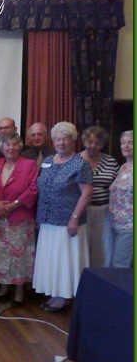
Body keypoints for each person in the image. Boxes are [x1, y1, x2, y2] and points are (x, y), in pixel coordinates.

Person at [32, 122, 92, 313]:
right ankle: (55, 293)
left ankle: (64, 296)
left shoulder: (80, 164)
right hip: (47, 220)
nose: (61, 143)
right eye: (58, 139)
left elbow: (86, 194)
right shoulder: (49, 160)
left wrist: (74, 218)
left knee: (65, 260)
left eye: (65, 139)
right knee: (52, 259)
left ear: (73, 141)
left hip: (68, 223)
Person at [0, 132, 38, 307]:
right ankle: (3, 287)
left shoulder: (29, 165)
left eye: (14, 144)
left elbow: (33, 190)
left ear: (20, 147)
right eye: (7, 144)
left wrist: (13, 205)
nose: (11, 148)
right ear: (1, 147)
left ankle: (19, 290)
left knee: (19, 255)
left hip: (19, 218)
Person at [79, 125, 119, 267]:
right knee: (82, 248)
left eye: (98, 143)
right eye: (90, 142)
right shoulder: (76, 161)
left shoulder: (110, 161)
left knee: (102, 249)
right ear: (84, 141)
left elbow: (117, 186)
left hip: (103, 212)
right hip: (81, 211)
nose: (93, 146)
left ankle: (99, 277)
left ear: (103, 144)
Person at [108, 130, 133, 268]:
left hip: (129, 226)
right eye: (123, 143)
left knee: (119, 265)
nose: (126, 146)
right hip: (114, 223)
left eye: (131, 143)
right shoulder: (123, 166)